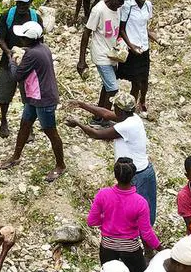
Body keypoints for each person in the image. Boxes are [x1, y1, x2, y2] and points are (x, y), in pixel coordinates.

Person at [66, 93, 157, 224]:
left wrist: (78, 124)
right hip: (142, 171)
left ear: (120, 110)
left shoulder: (125, 126)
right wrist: (82, 104)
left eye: (115, 106)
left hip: (136, 176)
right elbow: (106, 114)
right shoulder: (133, 117)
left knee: (139, 216)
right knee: (144, 213)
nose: (113, 108)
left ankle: (140, 240)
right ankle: (142, 240)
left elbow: (97, 134)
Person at [0, 21, 67, 182]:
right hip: (34, 95)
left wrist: (11, 59)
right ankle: (16, 156)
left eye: (23, 38)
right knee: (25, 124)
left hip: (43, 99)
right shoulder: (42, 48)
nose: (20, 40)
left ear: (28, 40)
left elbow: (17, 76)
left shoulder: (32, 55)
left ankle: (60, 165)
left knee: (51, 132)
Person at [86, 158, 161, 272]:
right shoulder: (140, 202)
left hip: (107, 246)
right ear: (133, 176)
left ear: (115, 175)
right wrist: (160, 248)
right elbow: (146, 233)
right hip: (130, 248)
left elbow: (91, 221)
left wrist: (106, 222)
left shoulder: (103, 194)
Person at [0, 0, 40, 139]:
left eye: (24, 3)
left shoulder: (35, 18)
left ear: (31, 2)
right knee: (4, 94)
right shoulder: (7, 16)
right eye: (19, 3)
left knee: (28, 96)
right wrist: (8, 53)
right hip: (8, 61)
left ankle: (28, 127)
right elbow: (1, 39)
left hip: (28, 63)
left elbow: (39, 42)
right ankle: (3, 120)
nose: (21, 6)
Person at [77, 0, 129, 115]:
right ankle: (105, 118)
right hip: (101, 55)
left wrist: (121, 44)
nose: (121, 3)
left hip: (113, 54)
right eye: (119, 0)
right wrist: (81, 60)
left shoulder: (118, 8)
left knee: (107, 87)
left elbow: (116, 31)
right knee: (113, 89)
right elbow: (86, 33)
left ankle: (98, 117)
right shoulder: (98, 10)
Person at [117, 0, 157, 115]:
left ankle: (143, 102)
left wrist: (155, 38)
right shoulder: (127, 6)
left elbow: (144, 26)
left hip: (144, 46)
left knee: (144, 78)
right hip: (131, 48)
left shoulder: (148, 5)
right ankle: (131, 107)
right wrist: (131, 45)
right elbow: (121, 29)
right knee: (134, 81)